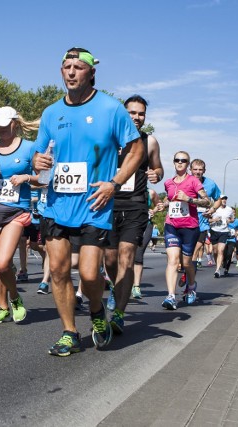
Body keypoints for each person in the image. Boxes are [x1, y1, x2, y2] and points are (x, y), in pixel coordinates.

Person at [33, 47, 144, 356]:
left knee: (90, 274)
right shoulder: (51, 113)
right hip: (56, 203)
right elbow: (38, 154)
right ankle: (69, 332)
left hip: (94, 203)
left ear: (91, 73)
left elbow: (136, 150)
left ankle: (96, 312)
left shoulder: (111, 109)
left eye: (77, 67)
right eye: (66, 66)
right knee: (57, 269)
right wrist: (38, 161)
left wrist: (115, 183)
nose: (71, 72)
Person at [104, 94, 164, 334]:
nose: (137, 118)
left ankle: (119, 313)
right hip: (109, 204)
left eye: (141, 114)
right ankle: (114, 286)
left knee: (127, 257)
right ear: (123, 113)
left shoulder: (149, 142)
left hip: (136, 205)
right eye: (132, 113)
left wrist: (156, 175)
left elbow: (158, 168)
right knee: (109, 260)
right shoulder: (110, 137)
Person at [0, 106, 39, 323]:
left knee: (3, 263)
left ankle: (15, 298)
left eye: (4, 126)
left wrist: (26, 178)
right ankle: (2, 307)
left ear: (14, 124)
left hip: (16, 213)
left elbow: (45, 178)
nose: (0, 130)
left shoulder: (29, 148)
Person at [160, 151, 211, 309]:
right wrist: (163, 205)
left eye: (184, 160)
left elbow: (207, 202)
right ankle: (170, 296)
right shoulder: (168, 183)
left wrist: (189, 199)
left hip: (190, 227)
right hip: (172, 225)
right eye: (177, 160)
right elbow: (169, 199)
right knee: (173, 261)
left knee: (187, 262)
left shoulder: (194, 182)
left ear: (188, 164)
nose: (180, 162)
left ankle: (191, 285)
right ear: (174, 162)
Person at [190, 159, 222, 269]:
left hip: (202, 222)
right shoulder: (184, 181)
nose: (197, 172)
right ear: (190, 170)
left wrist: (212, 210)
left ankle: (190, 273)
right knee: (184, 251)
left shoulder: (210, 184)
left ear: (204, 171)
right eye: (195, 169)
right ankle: (185, 266)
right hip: (186, 220)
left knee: (196, 249)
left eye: (200, 169)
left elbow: (219, 199)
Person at [132, 188, 161, 299]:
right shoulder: (123, 189)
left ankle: (136, 286)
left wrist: (154, 211)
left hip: (145, 225)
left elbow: (160, 204)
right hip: (126, 226)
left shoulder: (151, 192)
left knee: (138, 254)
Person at [209, 195, 234, 277]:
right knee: (215, 251)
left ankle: (217, 270)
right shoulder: (213, 208)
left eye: (225, 199)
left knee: (221, 250)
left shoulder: (229, 209)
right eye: (222, 199)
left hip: (224, 231)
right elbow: (207, 219)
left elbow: (232, 219)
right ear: (218, 200)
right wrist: (214, 220)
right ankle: (217, 265)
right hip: (214, 231)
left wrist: (229, 221)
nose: (224, 200)